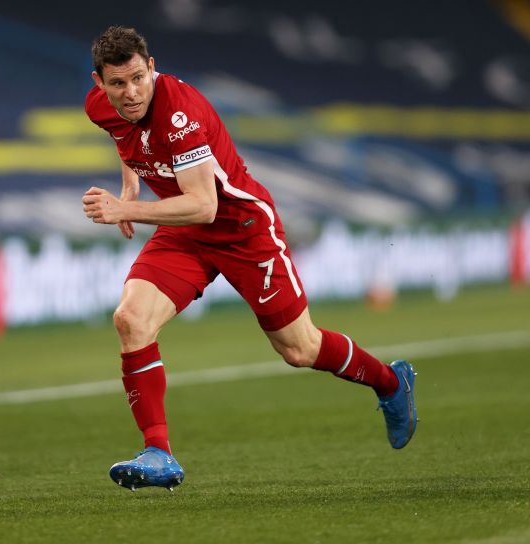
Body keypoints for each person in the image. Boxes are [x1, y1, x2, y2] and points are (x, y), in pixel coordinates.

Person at [82, 26, 417, 492]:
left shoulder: (179, 113)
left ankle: (390, 383)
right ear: (99, 84)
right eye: (117, 84)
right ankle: (159, 452)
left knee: (299, 349)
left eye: (138, 78)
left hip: (241, 229)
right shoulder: (103, 106)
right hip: (186, 234)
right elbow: (126, 136)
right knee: (131, 319)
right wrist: (130, 183)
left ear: (151, 67)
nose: (130, 92)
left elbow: (205, 205)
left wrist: (125, 210)